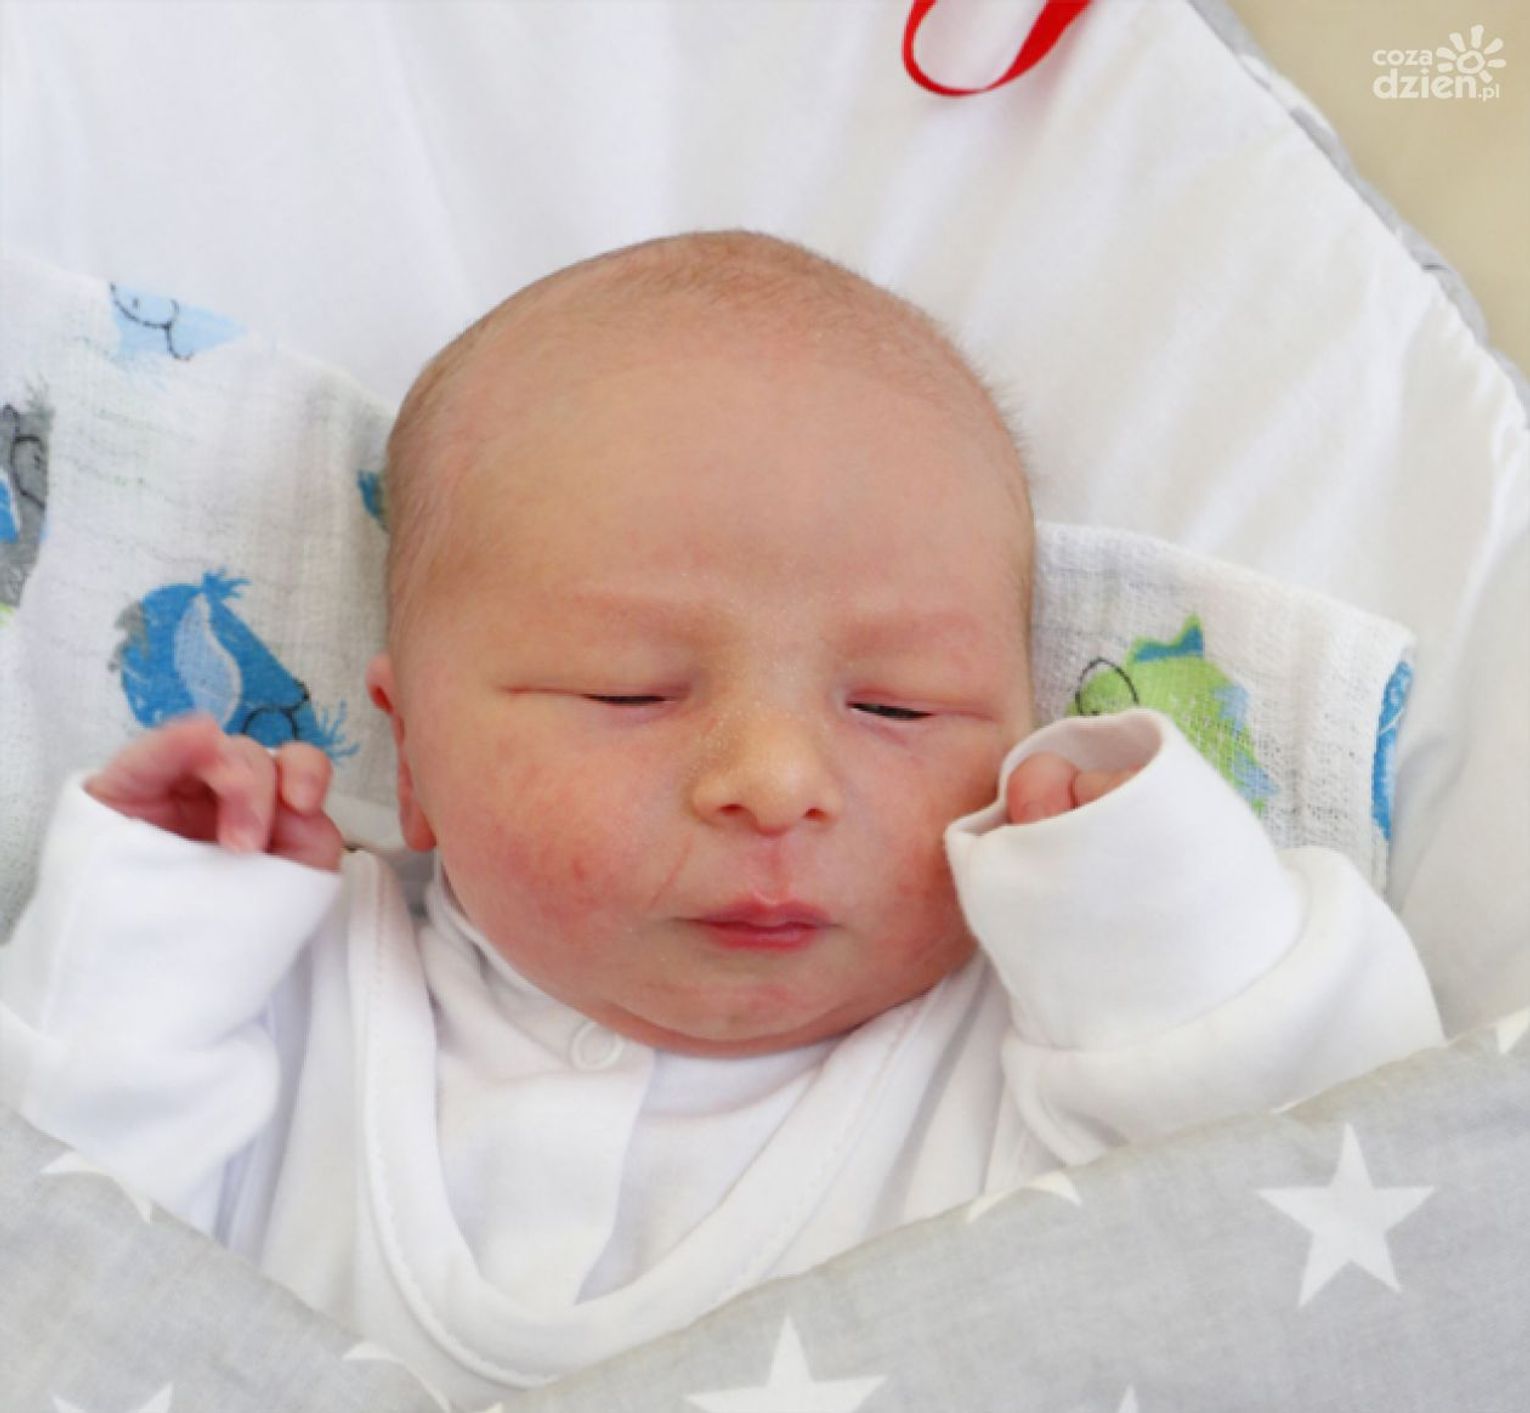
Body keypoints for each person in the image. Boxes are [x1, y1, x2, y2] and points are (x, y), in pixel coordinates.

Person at [0, 230, 1443, 1401]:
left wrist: (1149, 903)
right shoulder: (291, 992)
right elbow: (55, 1256)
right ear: (415, 758)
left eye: (898, 707)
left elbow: (1352, 1175)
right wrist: (156, 930)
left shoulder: (1044, 1041)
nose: (775, 777)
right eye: (629, 691)